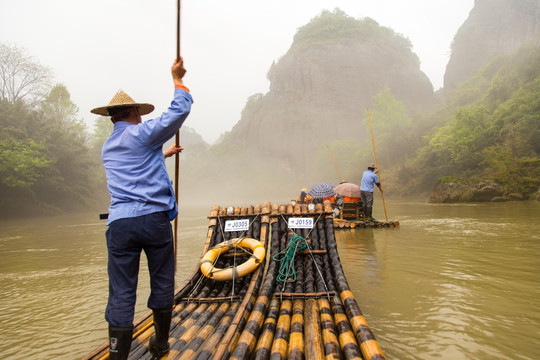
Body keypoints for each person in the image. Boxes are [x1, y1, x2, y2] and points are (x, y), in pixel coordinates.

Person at [91, 58, 193, 360]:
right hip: (153, 222)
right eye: (139, 111)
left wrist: (164, 153)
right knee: (162, 281)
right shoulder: (141, 134)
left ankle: (117, 356)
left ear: (112, 118)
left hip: (120, 225)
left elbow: (136, 166)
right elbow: (180, 110)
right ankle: (160, 344)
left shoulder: (109, 147)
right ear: (134, 112)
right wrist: (177, 79)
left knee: (121, 292)